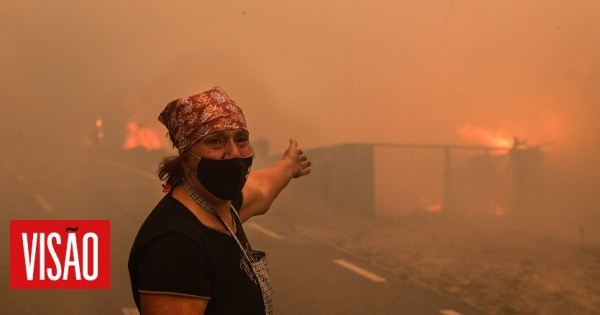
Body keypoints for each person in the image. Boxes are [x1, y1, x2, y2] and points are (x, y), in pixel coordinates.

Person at [128, 86, 311, 315]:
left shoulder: (221, 209)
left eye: (241, 139)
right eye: (216, 141)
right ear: (186, 161)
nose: (234, 153)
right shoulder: (175, 244)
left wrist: (289, 165)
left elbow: (262, 189)